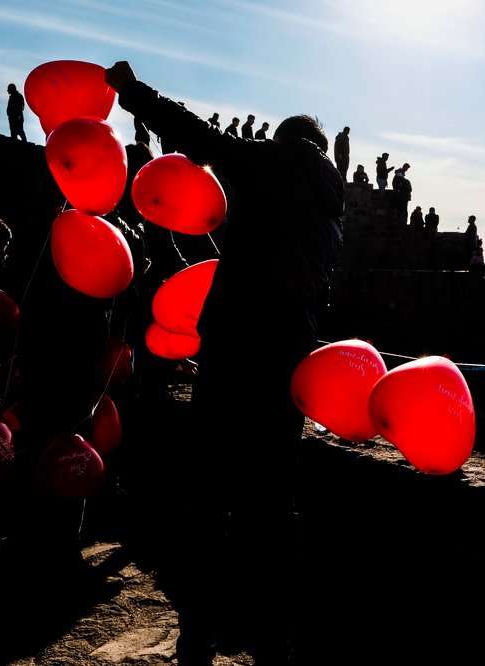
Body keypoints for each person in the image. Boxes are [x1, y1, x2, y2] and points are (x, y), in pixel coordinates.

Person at [105, 59, 345, 666]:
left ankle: (198, 637)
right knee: (271, 500)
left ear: (286, 140)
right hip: (289, 349)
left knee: (209, 495)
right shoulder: (328, 208)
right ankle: (274, 638)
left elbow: (195, 137)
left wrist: (132, 92)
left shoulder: (272, 163)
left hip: (237, 343)